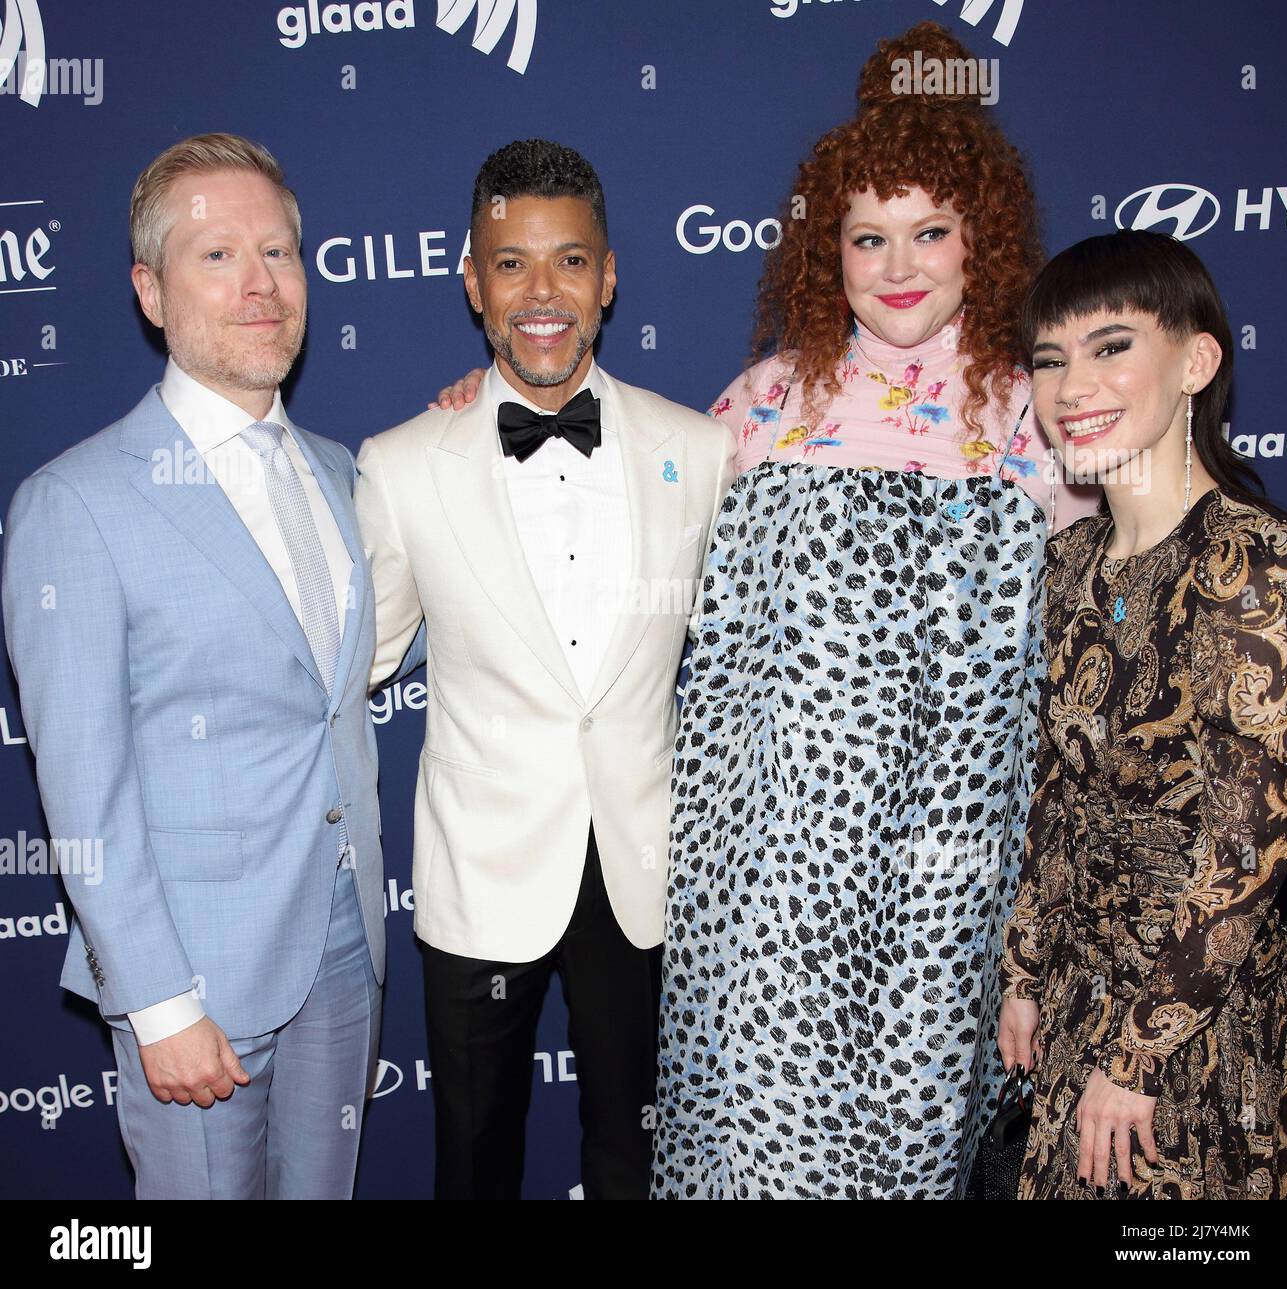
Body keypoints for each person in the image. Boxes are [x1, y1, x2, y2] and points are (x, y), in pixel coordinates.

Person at [433, 24, 1097, 1200]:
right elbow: (607, 498)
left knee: (912, 1152)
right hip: (758, 891)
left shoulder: (1043, 420)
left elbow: (1096, 670)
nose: (899, 265)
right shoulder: (761, 408)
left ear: (977, 242)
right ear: (825, 250)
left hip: (946, 892)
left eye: (929, 233)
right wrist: (484, 402)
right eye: (868, 237)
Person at [1, 134, 385, 1198]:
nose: (260, 284)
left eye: (278, 251)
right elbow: (80, 782)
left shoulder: (345, 476)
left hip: (345, 949)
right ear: (150, 291)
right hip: (194, 976)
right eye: (217, 256)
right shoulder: (75, 503)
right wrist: (159, 999)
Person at [354, 139, 734, 1200]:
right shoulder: (399, 465)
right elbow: (363, 661)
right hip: (482, 870)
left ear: (609, 276)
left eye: (569, 261)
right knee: (473, 1161)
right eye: (510, 262)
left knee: (639, 1154)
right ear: (472, 280)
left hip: (644, 865)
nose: (541, 292)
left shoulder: (700, 449)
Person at [998, 229, 1287, 1201]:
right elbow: (1055, 790)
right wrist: (1023, 971)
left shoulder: (1248, 564)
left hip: (1190, 1027)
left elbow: (1252, 850)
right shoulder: (1069, 562)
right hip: (1076, 1006)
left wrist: (1133, 1058)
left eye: (1111, 345)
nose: (1072, 384)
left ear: (1196, 361)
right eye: (1050, 358)